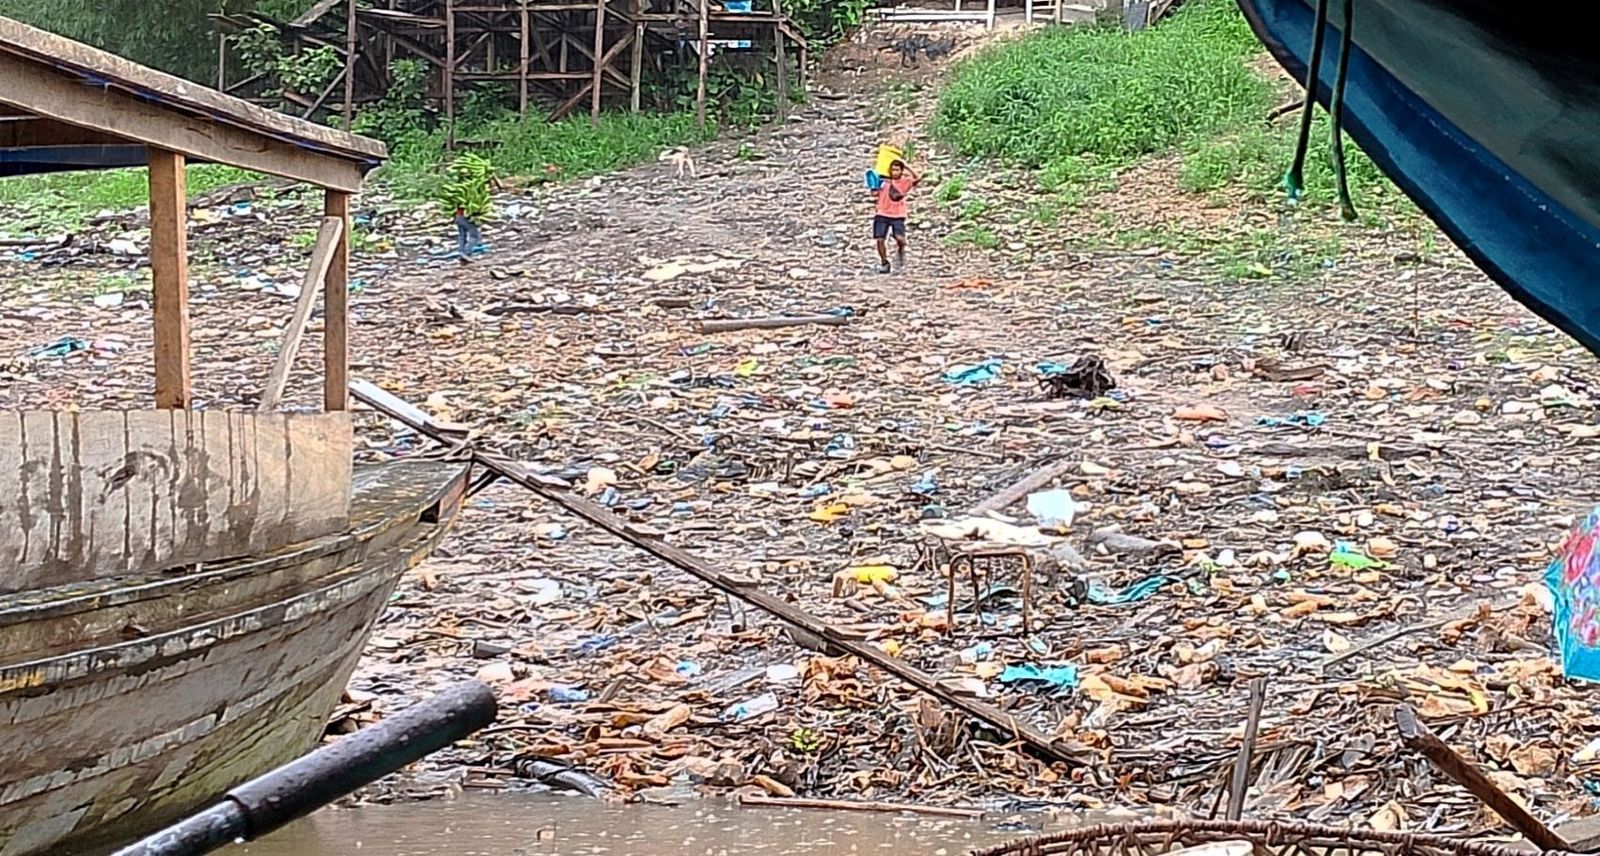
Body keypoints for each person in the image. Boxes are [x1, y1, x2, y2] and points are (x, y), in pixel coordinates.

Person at [871, 159, 919, 274]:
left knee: (900, 238)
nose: (894, 172)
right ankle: (884, 262)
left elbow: (917, 178)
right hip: (882, 213)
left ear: (901, 171)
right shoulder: (882, 181)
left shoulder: (905, 182)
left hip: (898, 215)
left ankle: (901, 249)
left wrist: (907, 166)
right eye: (893, 169)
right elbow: (873, 193)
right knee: (880, 239)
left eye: (897, 170)